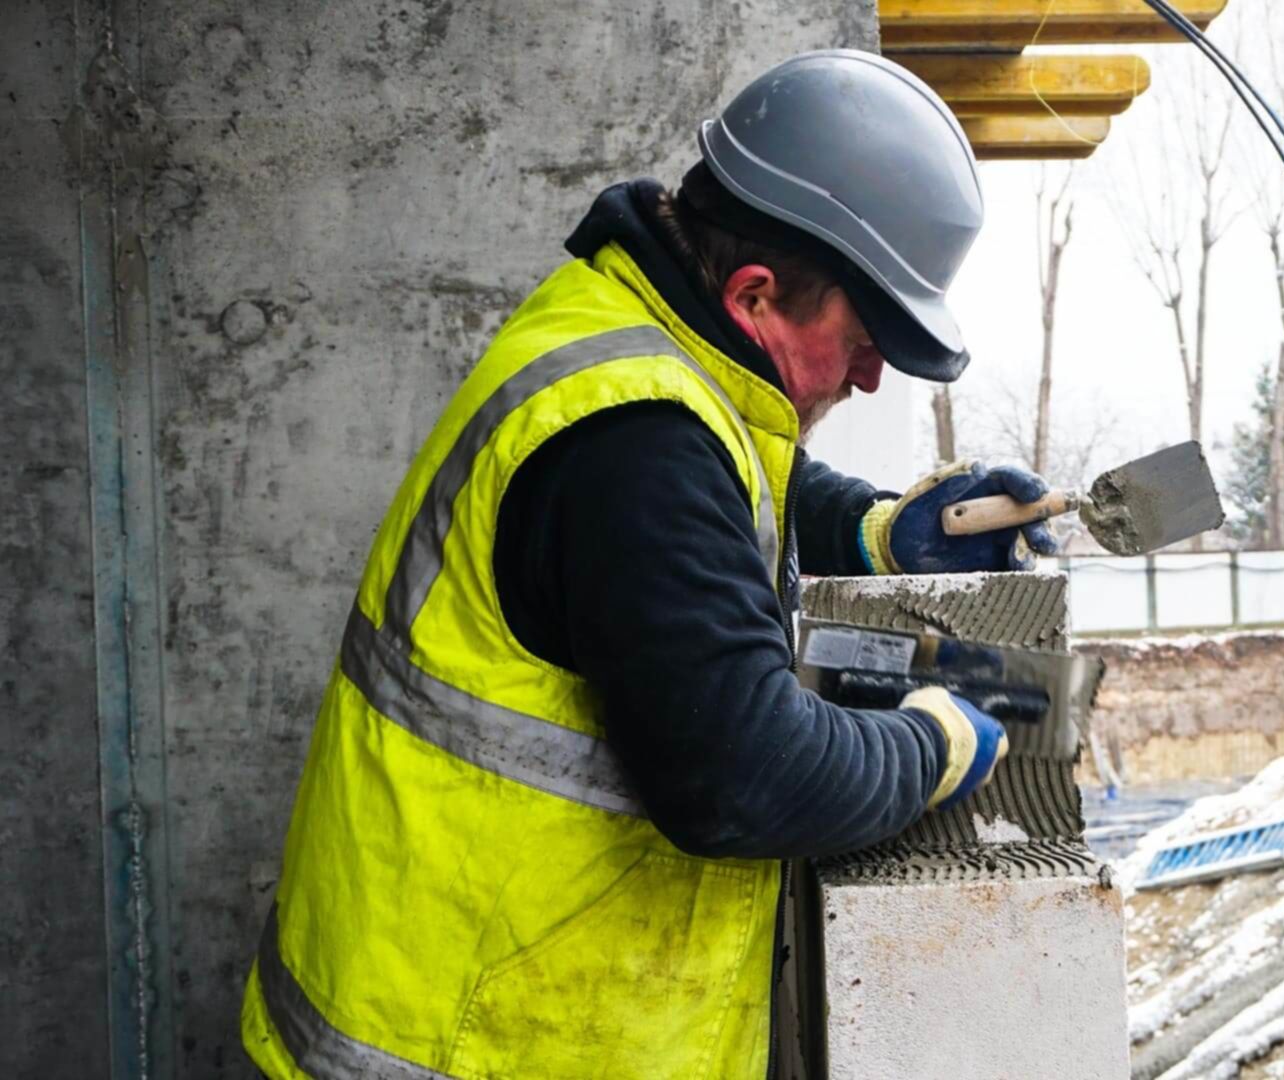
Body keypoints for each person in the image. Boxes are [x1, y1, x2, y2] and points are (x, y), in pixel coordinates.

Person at [240, 50, 1057, 1079]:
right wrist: (936, 740)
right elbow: (746, 781)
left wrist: (879, 531)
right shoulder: (636, 444)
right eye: (861, 335)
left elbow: (719, 493)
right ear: (757, 294)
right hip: (463, 1039)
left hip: (467, 993)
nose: (870, 373)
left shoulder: (624, 336)